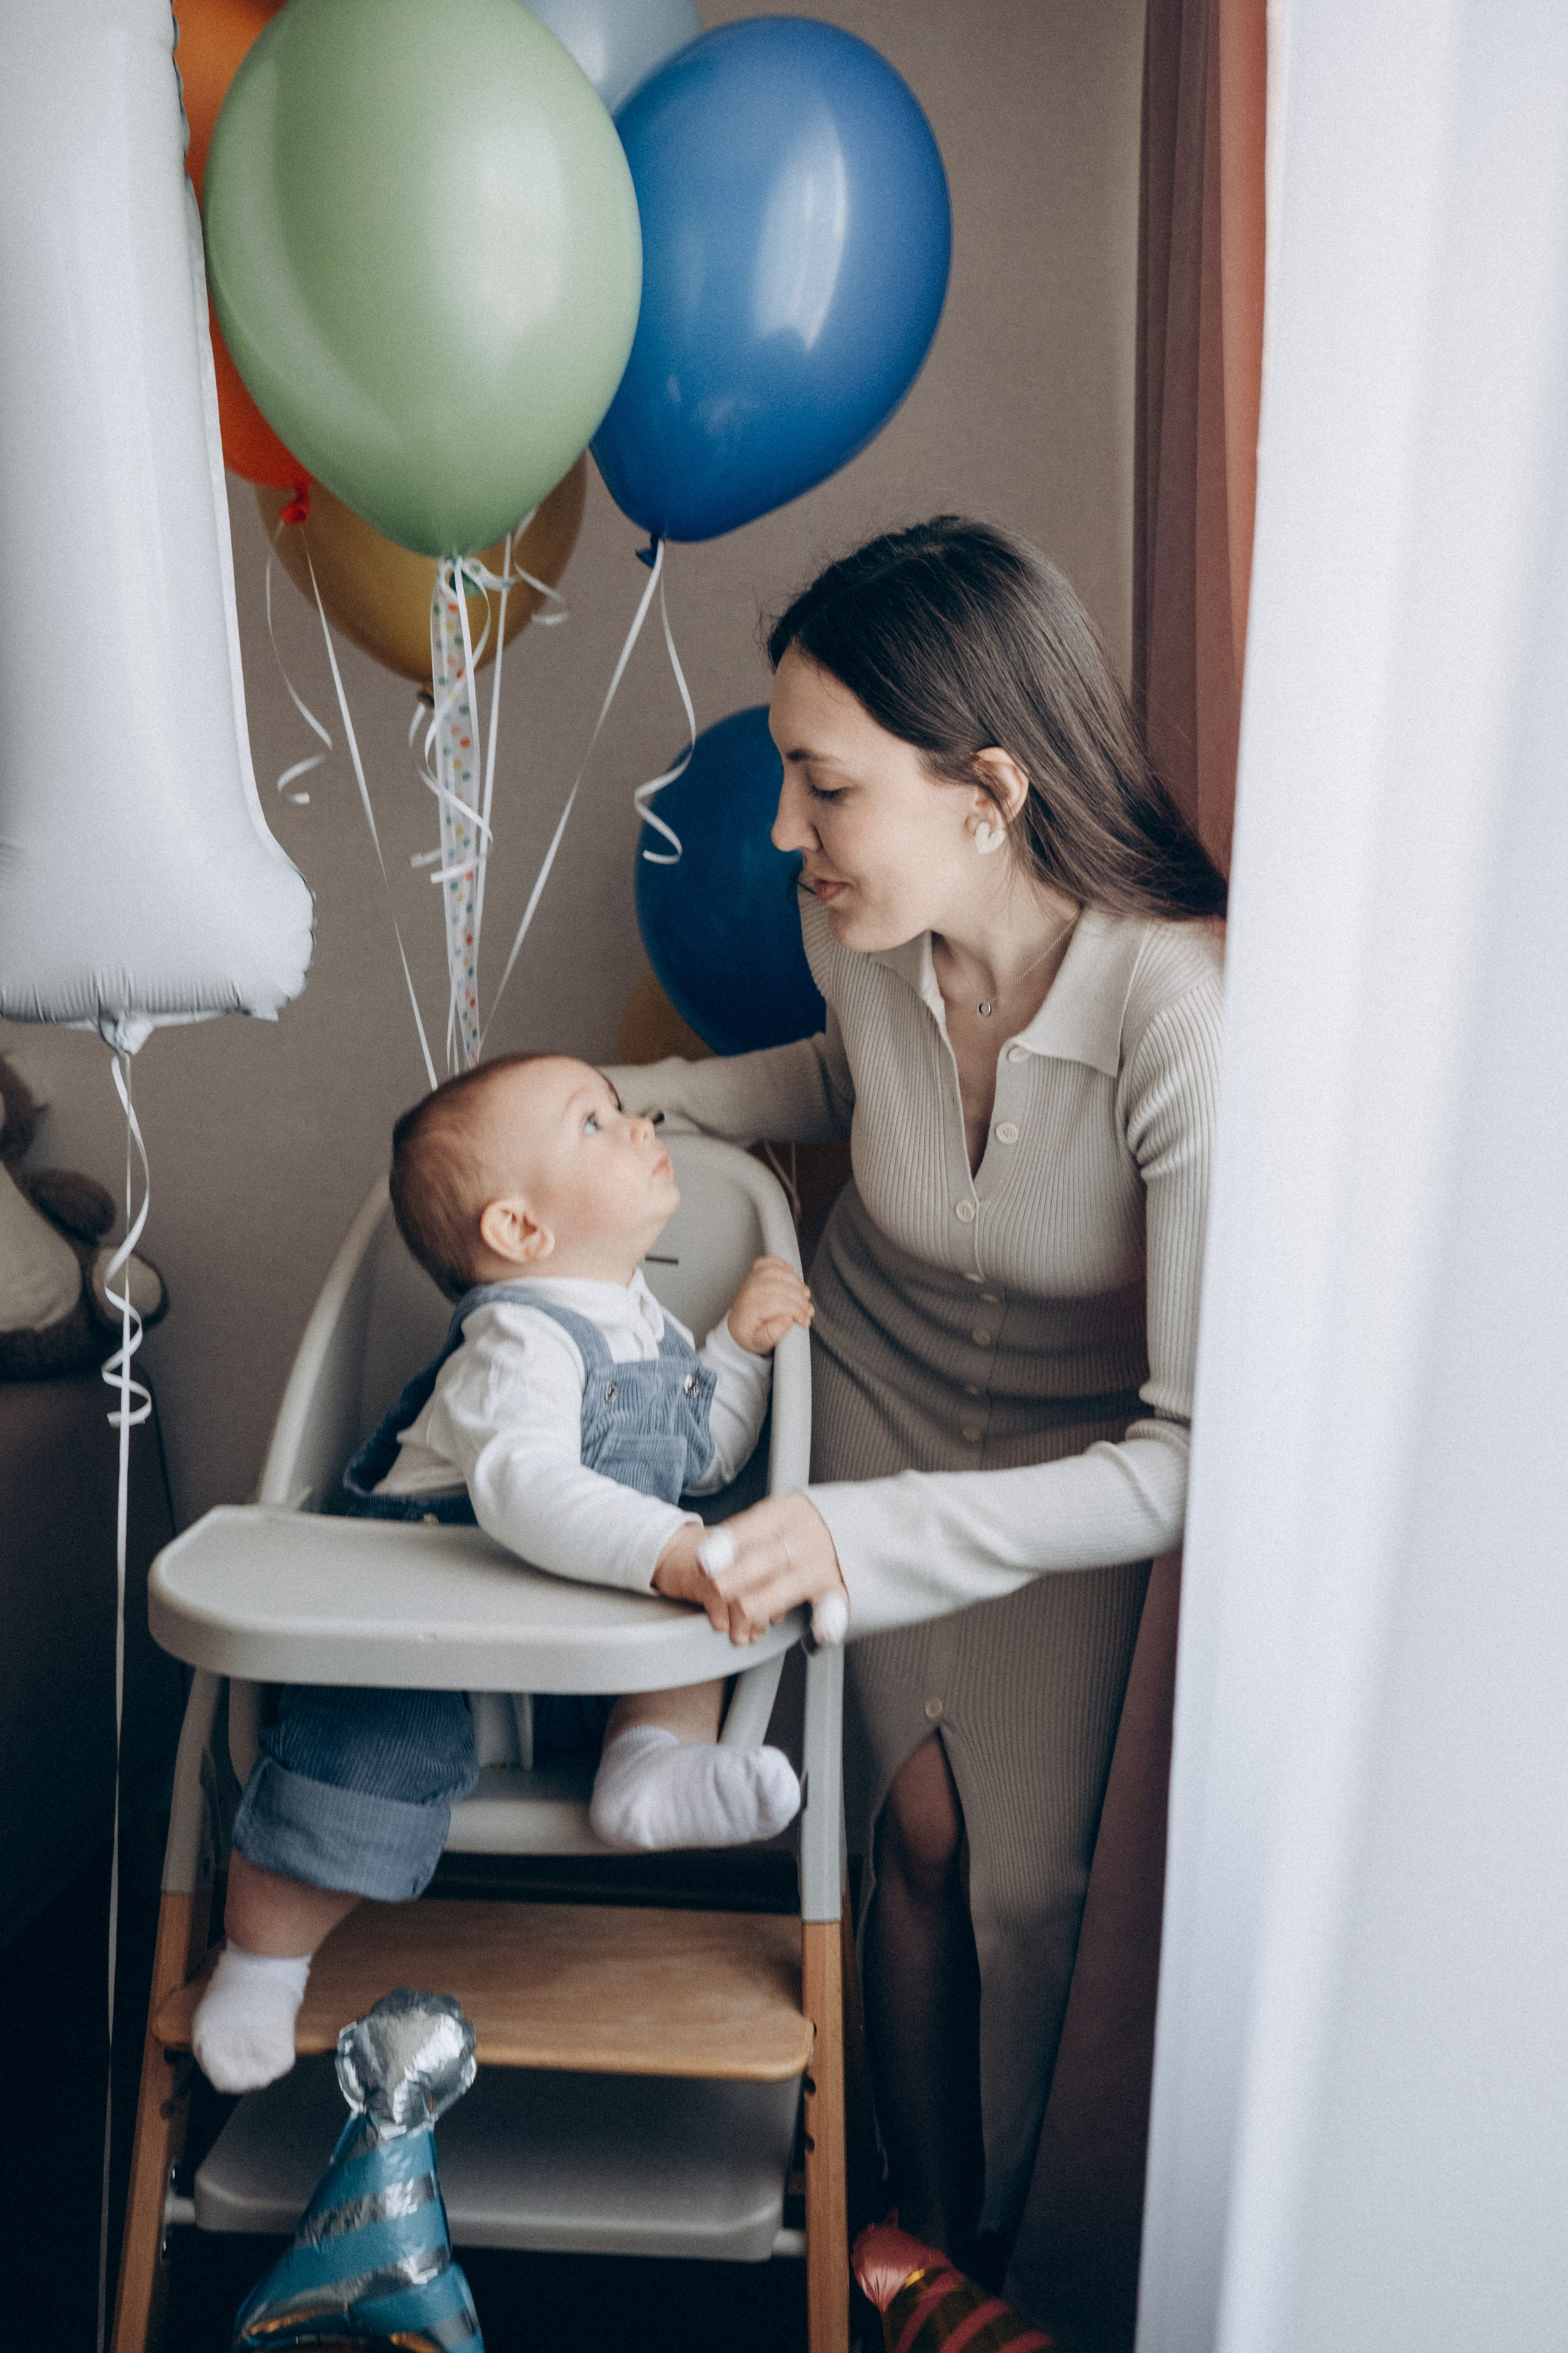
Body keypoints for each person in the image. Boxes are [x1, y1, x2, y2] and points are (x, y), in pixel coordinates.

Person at [609, 518, 1226, 2265]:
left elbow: (1192, 1456)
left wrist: (859, 1536)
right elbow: (846, 1076)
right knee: (909, 1836)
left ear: (990, 793)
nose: (781, 832)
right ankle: (903, 2230)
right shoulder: (856, 932)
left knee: (1027, 1889)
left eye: (824, 787)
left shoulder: (1178, 1012)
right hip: (867, 1383)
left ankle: (1007, 2260)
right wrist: (641, 1095)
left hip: (1076, 1465)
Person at [191, 1052, 815, 2096]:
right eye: (594, 1122)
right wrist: (671, 1553)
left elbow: (701, 1455)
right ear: (520, 1230)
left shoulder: (640, 1319)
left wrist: (736, 1353)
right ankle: (263, 1958)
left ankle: (646, 1762)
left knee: (698, 1628)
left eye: (619, 1108)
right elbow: (528, 1487)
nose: (638, 1123)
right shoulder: (517, 1340)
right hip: (431, 1652)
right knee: (357, 1764)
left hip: (569, 1661)